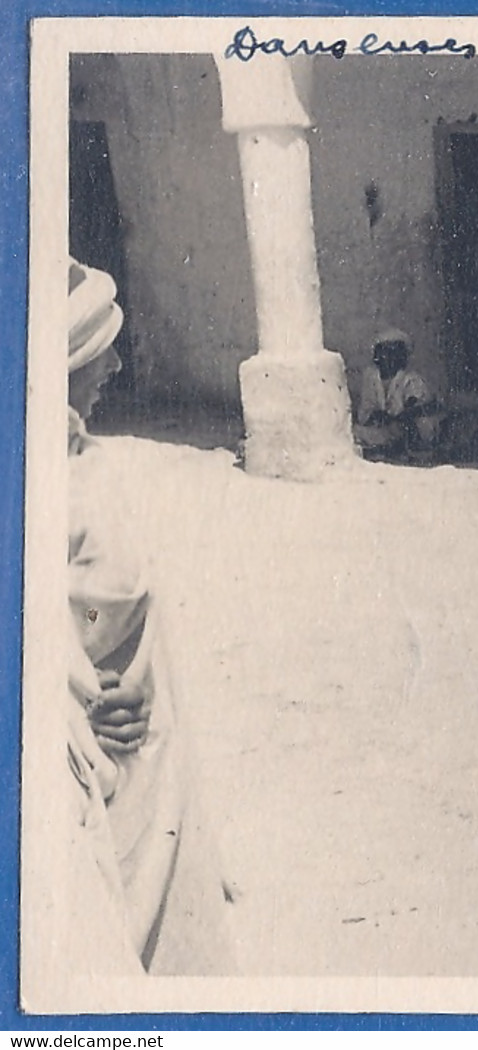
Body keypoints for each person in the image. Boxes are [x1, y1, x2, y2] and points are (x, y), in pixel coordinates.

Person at [63, 258, 236, 974]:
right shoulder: (49, 477)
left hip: (140, 753)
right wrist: (63, 705)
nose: (116, 366)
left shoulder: (85, 463)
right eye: (102, 352)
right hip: (81, 759)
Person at [354, 328, 443, 460]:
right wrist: (377, 415)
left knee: (415, 428)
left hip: (403, 427)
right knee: (358, 432)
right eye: (384, 352)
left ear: (402, 356)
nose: (388, 358)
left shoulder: (411, 379)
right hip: (384, 429)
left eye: (394, 353)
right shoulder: (370, 378)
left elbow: (420, 405)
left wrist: (405, 413)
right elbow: (365, 410)